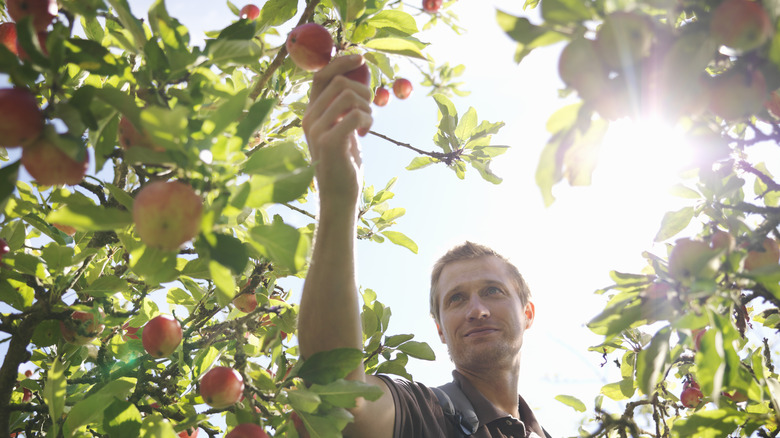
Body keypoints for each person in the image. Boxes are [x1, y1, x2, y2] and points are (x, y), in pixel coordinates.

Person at [298, 54, 549, 438]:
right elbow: (337, 397)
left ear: (528, 312)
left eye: (492, 291)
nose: (477, 310)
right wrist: (337, 198)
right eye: (456, 300)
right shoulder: (422, 414)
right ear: (440, 331)